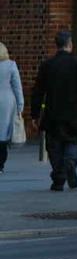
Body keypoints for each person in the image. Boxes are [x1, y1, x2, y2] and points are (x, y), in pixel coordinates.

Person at [31, 30, 77, 191]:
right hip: (74, 112)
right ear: (70, 44)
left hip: (52, 112)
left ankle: (59, 176)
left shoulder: (47, 65)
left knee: (54, 146)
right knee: (73, 140)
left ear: (56, 45)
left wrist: (35, 114)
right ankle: (70, 161)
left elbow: (38, 91)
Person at [0, 42, 21, 175]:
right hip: (7, 102)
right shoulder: (11, 65)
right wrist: (20, 105)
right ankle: (0, 164)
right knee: (3, 133)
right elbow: (17, 86)